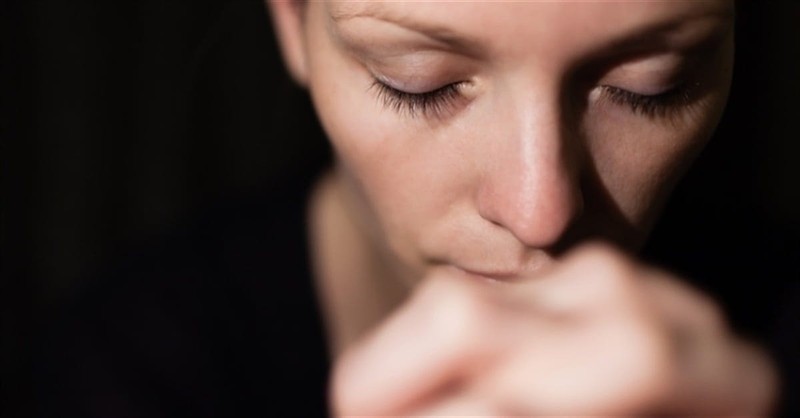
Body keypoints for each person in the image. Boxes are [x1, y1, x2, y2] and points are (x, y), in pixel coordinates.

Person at [34, 1, 796, 416]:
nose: (539, 212)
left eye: (651, 85)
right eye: (420, 81)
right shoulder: (124, 373)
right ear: (294, 22)